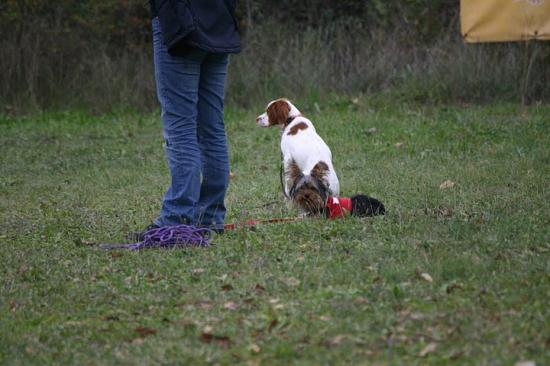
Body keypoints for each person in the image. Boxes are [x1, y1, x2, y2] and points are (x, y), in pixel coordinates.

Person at [133, 0, 241, 239]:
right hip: (219, 21)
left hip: (180, 22)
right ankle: (209, 217)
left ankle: (177, 219)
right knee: (211, 126)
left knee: (181, 126)